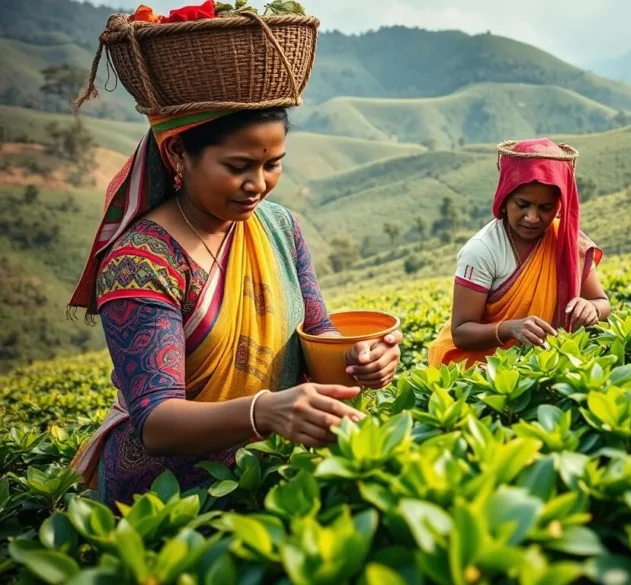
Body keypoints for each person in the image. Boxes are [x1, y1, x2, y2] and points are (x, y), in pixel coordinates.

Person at [67, 4, 402, 504]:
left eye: (273, 164)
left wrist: (360, 360)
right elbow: (157, 422)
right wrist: (263, 412)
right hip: (163, 501)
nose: (258, 185)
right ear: (179, 153)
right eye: (239, 165)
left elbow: (317, 334)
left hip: (264, 475)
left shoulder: (279, 227)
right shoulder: (141, 262)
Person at [427, 138, 611, 367]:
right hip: (478, 372)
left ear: (560, 205)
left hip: (540, 366)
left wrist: (591, 308)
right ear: (505, 199)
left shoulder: (568, 241)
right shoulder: (482, 250)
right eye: (522, 205)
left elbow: (601, 302)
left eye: (545, 208)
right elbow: (462, 332)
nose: (532, 218)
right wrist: (509, 328)